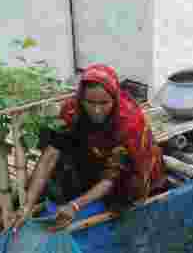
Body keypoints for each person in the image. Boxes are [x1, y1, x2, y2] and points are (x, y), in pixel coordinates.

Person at [9, 64, 167, 232]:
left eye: (104, 103)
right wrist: (27, 206)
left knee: (123, 193)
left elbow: (111, 178)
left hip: (127, 171)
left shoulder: (128, 125)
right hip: (97, 152)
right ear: (81, 98)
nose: (97, 110)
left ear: (114, 99)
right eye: (90, 102)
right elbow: (50, 156)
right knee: (62, 154)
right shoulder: (72, 110)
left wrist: (75, 206)